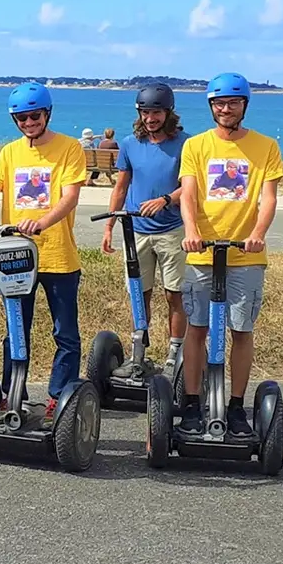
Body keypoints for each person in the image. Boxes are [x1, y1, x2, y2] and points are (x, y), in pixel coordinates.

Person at [0, 81, 87, 422]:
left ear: (47, 114)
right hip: (16, 257)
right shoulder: (10, 152)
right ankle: (10, 394)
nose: (28, 123)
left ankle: (58, 397)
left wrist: (43, 220)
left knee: (65, 332)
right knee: (16, 329)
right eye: (21, 118)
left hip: (58, 256)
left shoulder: (69, 148)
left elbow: (70, 196)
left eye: (34, 116)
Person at [177, 71, 283, 437]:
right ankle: (191, 403)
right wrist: (191, 231)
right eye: (220, 103)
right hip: (202, 252)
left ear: (244, 107)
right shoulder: (196, 146)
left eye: (233, 103)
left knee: (241, 329)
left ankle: (236, 406)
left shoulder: (265, 146)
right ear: (211, 107)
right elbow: (188, 194)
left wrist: (257, 234)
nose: (226, 109)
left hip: (246, 255)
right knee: (197, 327)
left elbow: (267, 197)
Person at [101, 83, 190, 378]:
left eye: (156, 112)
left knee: (174, 294)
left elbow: (190, 187)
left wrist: (166, 200)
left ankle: (175, 353)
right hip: (137, 230)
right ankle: (139, 353)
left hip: (173, 230)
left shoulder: (185, 144)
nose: (150, 118)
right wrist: (110, 225)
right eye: (145, 112)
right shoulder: (129, 144)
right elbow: (121, 185)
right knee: (140, 294)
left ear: (168, 113)